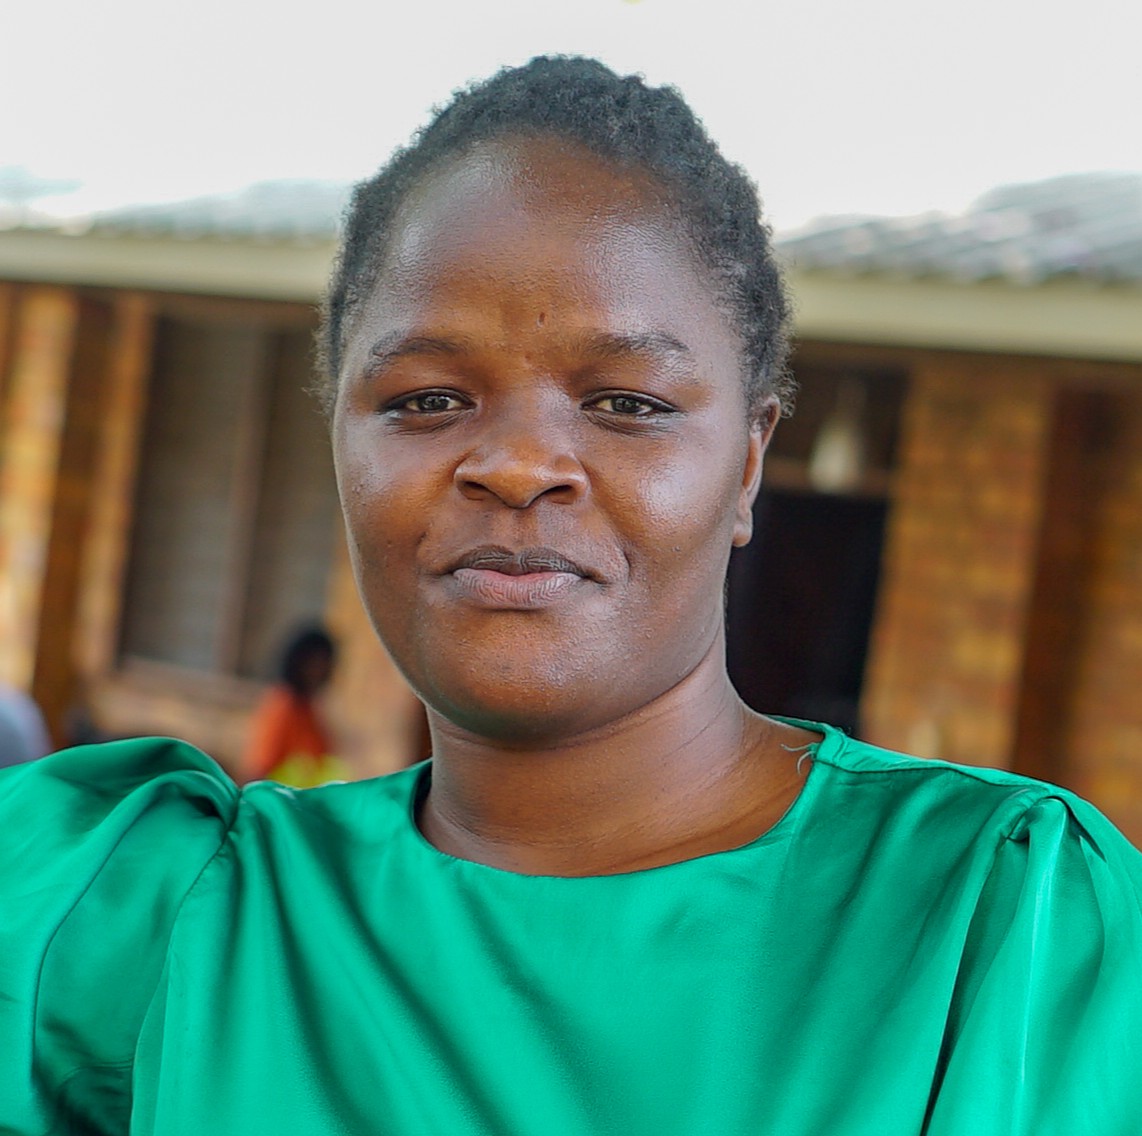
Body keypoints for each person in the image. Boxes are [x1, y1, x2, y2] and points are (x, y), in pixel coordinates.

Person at [1, 56, 1140, 1135]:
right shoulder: (152, 915)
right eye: (427, 398)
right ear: (339, 442)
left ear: (747, 465)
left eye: (626, 403)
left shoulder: (1002, 925)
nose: (516, 462)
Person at [241, 624, 345, 787]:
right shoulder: (283, 706)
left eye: (326, 663)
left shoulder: (309, 710)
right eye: (315, 663)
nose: (320, 670)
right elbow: (259, 770)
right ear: (298, 661)